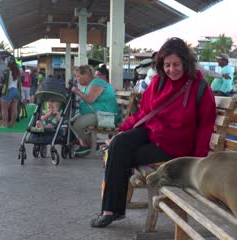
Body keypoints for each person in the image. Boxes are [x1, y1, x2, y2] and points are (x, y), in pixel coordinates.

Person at [90, 37, 216, 228]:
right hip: (152, 132)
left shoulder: (200, 88)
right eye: (167, 65)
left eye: (176, 64)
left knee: (119, 154)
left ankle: (112, 210)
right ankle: (110, 210)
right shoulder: (158, 83)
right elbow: (145, 113)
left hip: (175, 145)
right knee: (119, 144)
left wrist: (197, 160)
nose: (172, 70)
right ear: (161, 65)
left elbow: (205, 125)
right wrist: (121, 131)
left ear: (185, 63)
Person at [71, 65, 121, 156]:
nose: (77, 79)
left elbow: (89, 99)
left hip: (106, 116)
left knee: (77, 124)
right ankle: (85, 145)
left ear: (85, 75)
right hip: (98, 115)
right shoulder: (89, 85)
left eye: (78, 76)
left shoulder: (97, 83)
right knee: (71, 121)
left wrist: (77, 91)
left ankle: (90, 145)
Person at [0, 56, 21, 128]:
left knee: (4, 110)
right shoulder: (18, 71)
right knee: (14, 109)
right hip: (16, 91)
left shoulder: (5, 71)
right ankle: (12, 124)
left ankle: (4, 124)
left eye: (6, 61)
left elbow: (1, 83)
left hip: (8, 91)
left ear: (8, 63)